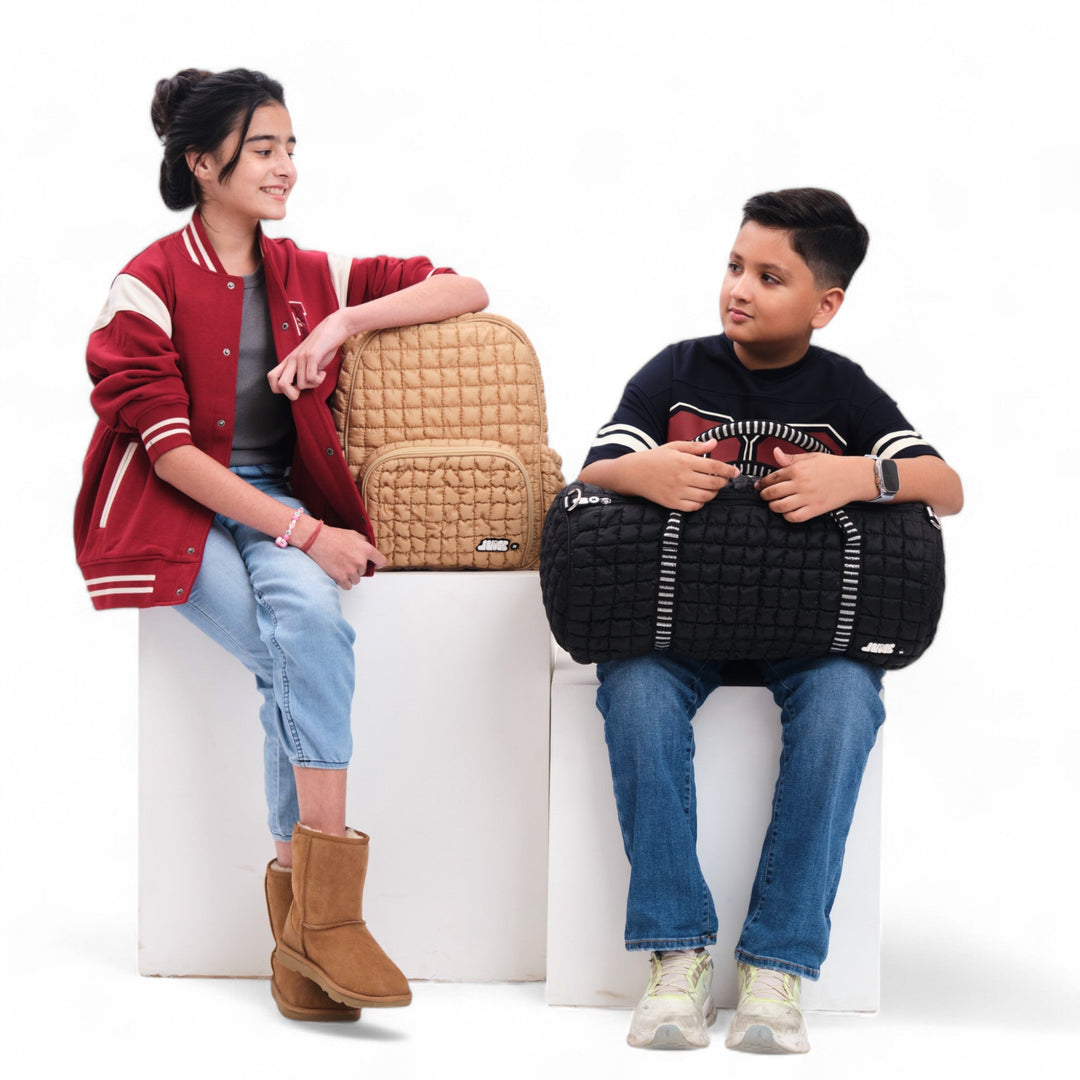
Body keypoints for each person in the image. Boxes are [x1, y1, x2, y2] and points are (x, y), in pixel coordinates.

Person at [73, 68, 488, 1023]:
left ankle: (305, 939)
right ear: (201, 162)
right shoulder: (145, 283)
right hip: (173, 505)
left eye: (291, 147)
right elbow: (171, 454)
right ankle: (326, 923)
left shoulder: (306, 272)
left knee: (309, 626)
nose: (286, 167)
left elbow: (463, 285)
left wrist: (343, 319)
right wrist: (307, 532)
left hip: (268, 494)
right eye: (263, 149)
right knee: (295, 647)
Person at [577, 188, 963, 1053]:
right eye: (734, 266)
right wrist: (646, 471)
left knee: (846, 704)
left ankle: (777, 967)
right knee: (633, 693)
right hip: (677, 627)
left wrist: (858, 476)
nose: (739, 288)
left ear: (826, 304)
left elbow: (947, 486)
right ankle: (676, 954)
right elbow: (595, 470)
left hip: (809, 632)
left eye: (769, 276)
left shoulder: (845, 390)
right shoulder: (675, 372)